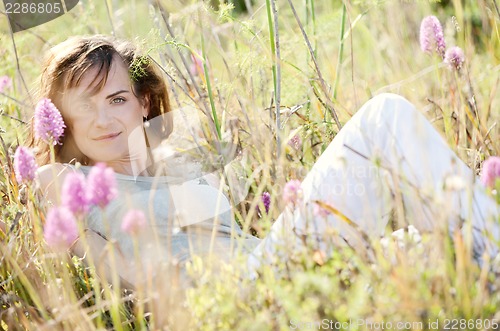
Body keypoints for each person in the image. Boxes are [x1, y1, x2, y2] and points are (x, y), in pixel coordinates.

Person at [30, 35, 499, 291]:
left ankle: (484, 263)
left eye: (116, 99)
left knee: (424, 242)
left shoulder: (174, 160)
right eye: (83, 106)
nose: (102, 119)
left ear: (145, 104)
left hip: (270, 264)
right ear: (60, 118)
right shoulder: (63, 180)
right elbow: (121, 272)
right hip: (239, 293)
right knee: (386, 115)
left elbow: (231, 233)